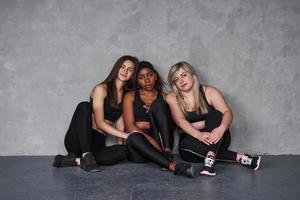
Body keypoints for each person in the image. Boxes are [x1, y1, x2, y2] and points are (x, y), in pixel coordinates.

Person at [166, 61, 261, 176]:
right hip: (193, 142)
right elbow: (180, 121)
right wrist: (199, 135)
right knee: (185, 146)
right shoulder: (172, 97)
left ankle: (210, 160)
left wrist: (221, 128)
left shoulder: (209, 92)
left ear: (192, 74)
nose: (181, 81)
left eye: (184, 75)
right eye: (176, 79)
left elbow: (227, 112)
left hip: (218, 137)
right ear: (174, 83)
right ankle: (242, 158)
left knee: (215, 114)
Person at [53, 55, 138, 172]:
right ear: (116, 68)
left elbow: (120, 124)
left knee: (124, 151)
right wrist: (127, 136)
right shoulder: (101, 89)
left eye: (130, 70)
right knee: (84, 106)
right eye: (122, 67)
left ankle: (72, 161)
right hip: (79, 139)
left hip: (97, 143)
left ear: (132, 75)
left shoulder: (126, 96)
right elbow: (100, 123)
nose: (125, 71)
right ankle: (86, 155)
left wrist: (121, 144)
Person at [123, 61, 198, 178]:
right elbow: (129, 127)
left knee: (159, 103)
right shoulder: (130, 96)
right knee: (133, 137)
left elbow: (172, 124)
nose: (147, 80)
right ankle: (174, 166)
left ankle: (167, 152)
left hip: (161, 144)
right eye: (141, 77)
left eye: (150, 75)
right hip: (139, 149)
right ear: (137, 81)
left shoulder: (163, 96)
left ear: (156, 76)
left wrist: (155, 108)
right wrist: (149, 140)